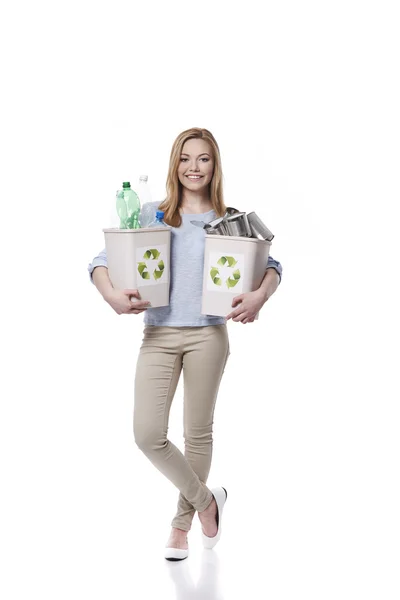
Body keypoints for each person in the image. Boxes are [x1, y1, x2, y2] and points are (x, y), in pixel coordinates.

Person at [87, 127, 283, 560]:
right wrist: (110, 294)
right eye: (185, 158)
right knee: (147, 434)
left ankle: (181, 527)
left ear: (215, 166)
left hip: (208, 335)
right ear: (174, 165)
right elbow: (103, 259)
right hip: (157, 334)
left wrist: (259, 296)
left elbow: (271, 263)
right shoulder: (154, 213)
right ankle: (208, 502)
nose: (194, 167)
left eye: (204, 158)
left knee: (197, 433)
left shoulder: (229, 218)